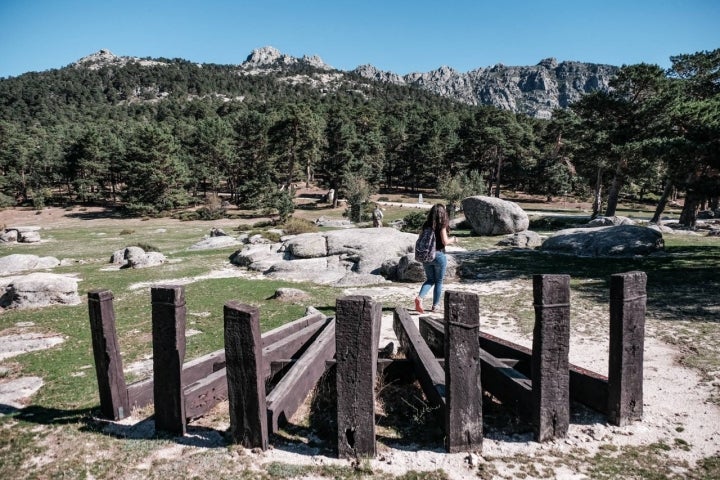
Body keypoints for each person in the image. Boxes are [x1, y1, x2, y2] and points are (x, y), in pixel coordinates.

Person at [414, 203, 457, 314]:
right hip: (438, 255)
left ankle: (420, 298)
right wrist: (454, 239)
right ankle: (435, 306)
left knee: (430, 279)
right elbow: (445, 242)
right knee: (438, 281)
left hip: (427, 256)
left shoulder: (426, 225)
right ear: (443, 214)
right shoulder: (442, 225)